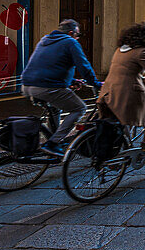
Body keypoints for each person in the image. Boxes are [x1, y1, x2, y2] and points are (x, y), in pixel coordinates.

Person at [21, 19, 100, 157]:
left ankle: (53, 143)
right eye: (78, 35)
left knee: (54, 109)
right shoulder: (71, 42)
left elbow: (49, 65)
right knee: (79, 108)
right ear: (71, 33)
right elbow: (84, 67)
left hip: (27, 85)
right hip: (46, 87)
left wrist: (71, 80)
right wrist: (95, 83)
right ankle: (53, 143)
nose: (77, 38)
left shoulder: (45, 40)